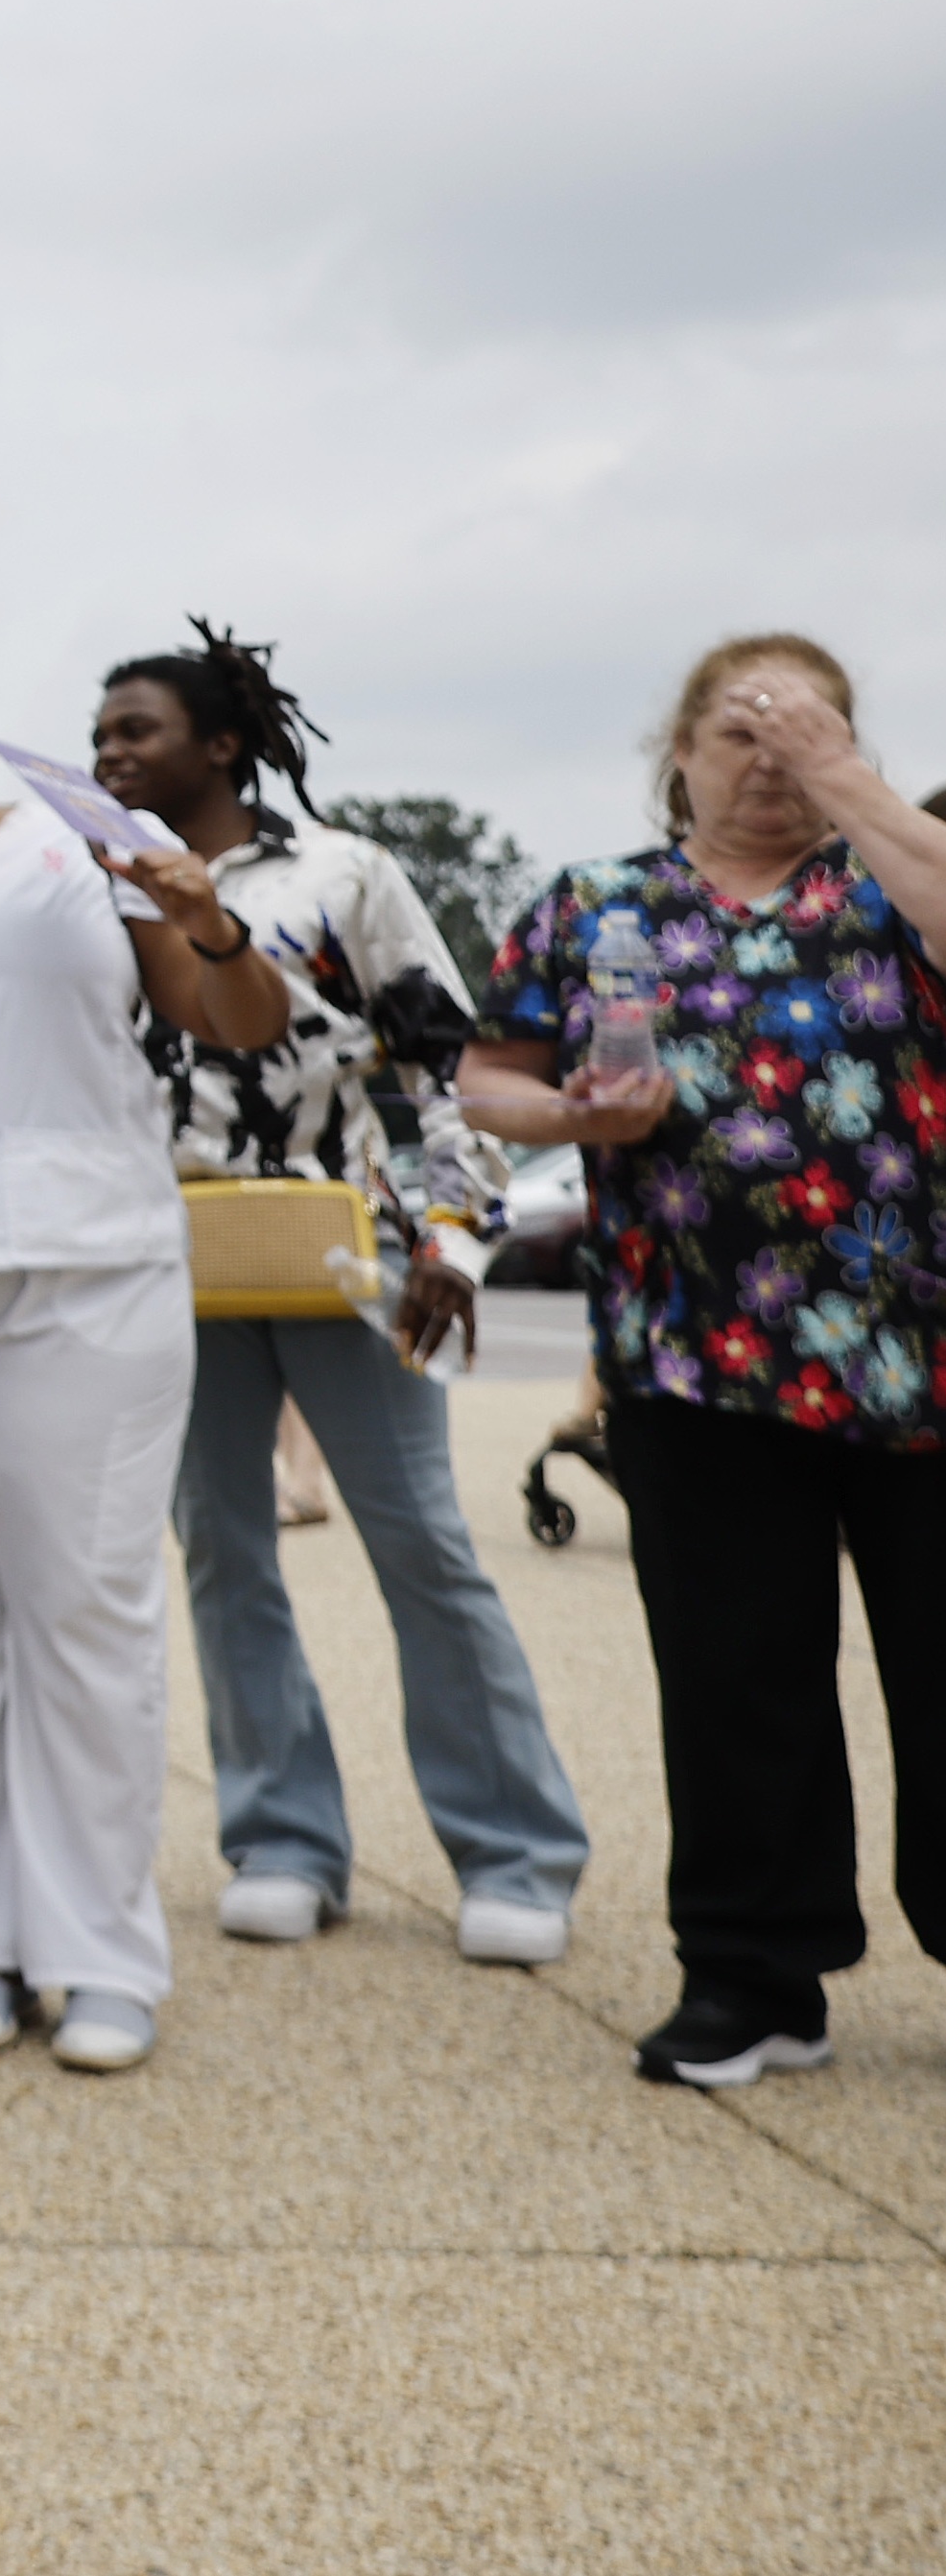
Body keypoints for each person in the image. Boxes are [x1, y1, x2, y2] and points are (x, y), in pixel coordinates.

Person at [461, 635, 946, 2089]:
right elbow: (491, 1074)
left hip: (917, 1354)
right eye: (739, 727)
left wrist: (846, 778)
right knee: (737, 1680)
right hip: (692, 1356)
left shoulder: (891, 873)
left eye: (805, 726)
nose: (770, 754)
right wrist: (572, 1123)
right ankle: (752, 1977)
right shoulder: (596, 901)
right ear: (676, 750)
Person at [84, 629, 589, 1971]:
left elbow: (442, 1062)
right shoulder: (91, 887)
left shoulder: (341, 871)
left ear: (223, 745)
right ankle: (282, 1840)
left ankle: (515, 1850)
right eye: (100, 733)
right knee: (225, 1555)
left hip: (348, 1251)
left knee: (421, 1544)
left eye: (136, 728)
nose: (109, 752)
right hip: (170, 1263)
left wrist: (454, 1237)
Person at [0, 620, 287, 2080]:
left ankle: (101, 1956)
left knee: (83, 1614)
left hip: (87, 1269)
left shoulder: (75, 828)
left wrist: (203, 913)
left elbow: (232, 1016)